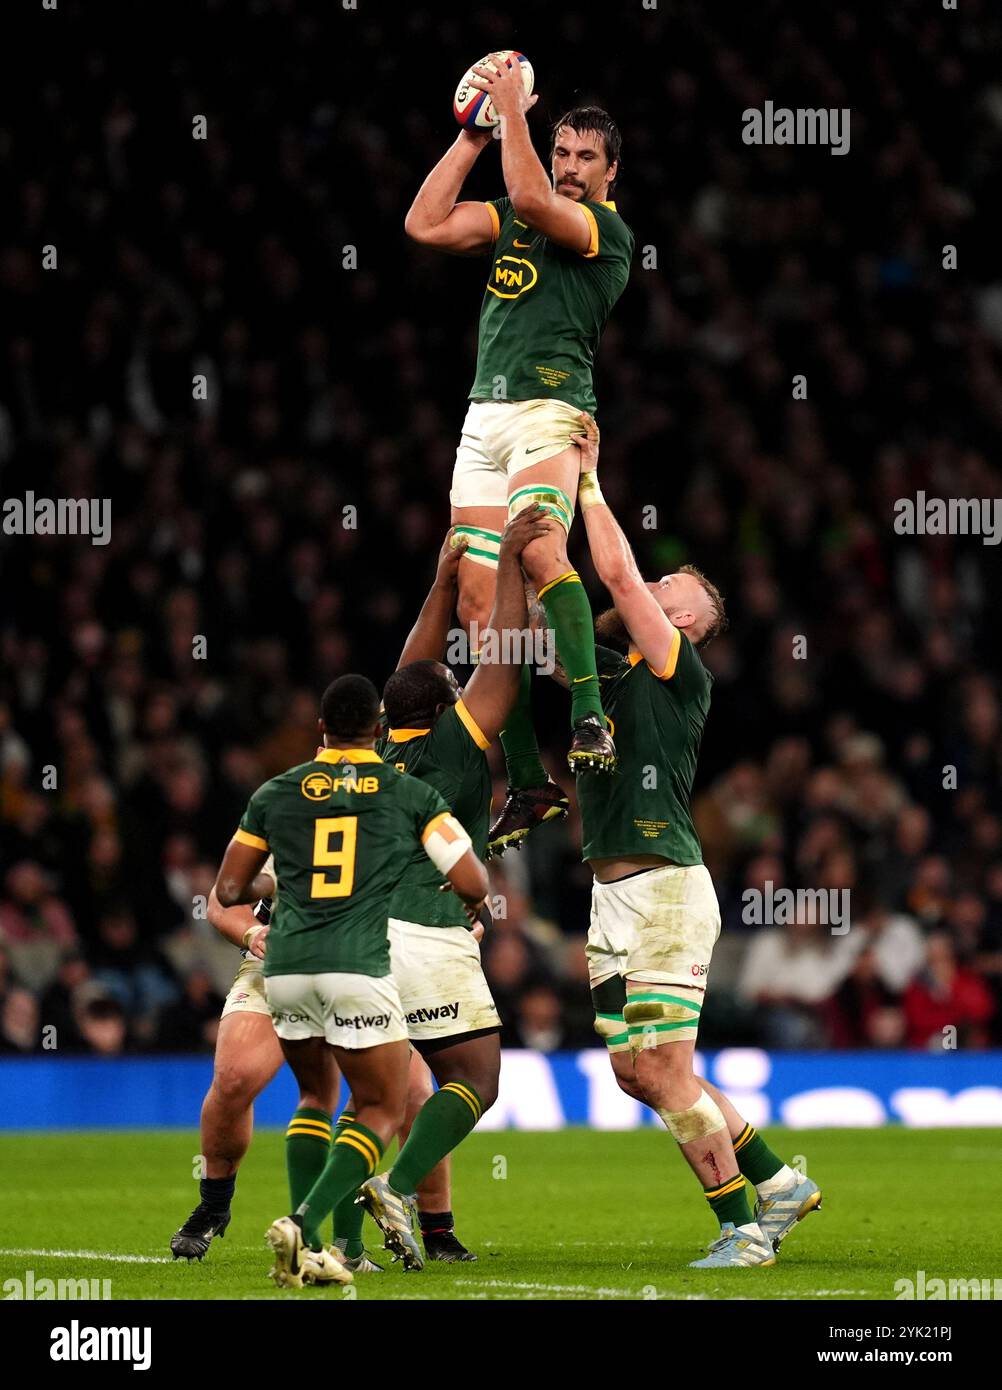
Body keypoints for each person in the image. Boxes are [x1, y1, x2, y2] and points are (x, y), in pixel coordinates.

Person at [563, 417, 821, 1267]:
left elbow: (610, 571)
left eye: (664, 581)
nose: (648, 581)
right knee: (636, 1074)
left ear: (680, 617)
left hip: (667, 886)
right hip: (611, 896)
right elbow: (560, 626)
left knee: (668, 1070)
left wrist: (586, 481)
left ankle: (743, 1230)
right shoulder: (613, 670)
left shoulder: (677, 665)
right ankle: (780, 1185)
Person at [405, 56, 634, 843]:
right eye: (561, 152)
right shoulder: (510, 215)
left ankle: (590, 720)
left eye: (584, 159)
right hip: (482, 423)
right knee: (477, 607)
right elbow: (425, 223)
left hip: (551, 410)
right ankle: (529, 785)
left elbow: (535, 197)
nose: (568, 169)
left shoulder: (604, 233)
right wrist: (474, 134)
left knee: (537, 549)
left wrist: (515, 116)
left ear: (609, 174)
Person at [213, 674, 488, 1289]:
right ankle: (305, 1223)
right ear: (379, 729)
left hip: (284, 968)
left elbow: (229, 890)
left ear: (321, 728)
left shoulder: (275, 792)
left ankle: (317, 1254)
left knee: (315, 1097)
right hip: (358, 964)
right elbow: (472, 879)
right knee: (383, 1106)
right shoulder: (408, 792)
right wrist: (472, 899)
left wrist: (284, 884)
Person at [355, 505, 549, 1267]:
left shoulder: (374, 751)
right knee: (473, 1076)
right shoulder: (455, 743)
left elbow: (412, 667)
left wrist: (441, 586)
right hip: (428, 932)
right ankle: (399, 1186)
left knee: (375, 1096)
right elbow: (501, 650)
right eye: (455, 688)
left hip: (360, 938)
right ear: (446, 708)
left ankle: (335, 1232)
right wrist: (504, 563)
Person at [167, 871, 462, 1270]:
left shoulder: (397, 817)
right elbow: (223, 899)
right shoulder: (289, 814)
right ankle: (216, 1205)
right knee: (238, 1077)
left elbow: (448, 890)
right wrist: (253, 932)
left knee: (411, 1096)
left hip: (378, 966)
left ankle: (433, 1231)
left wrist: (456, 926)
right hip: (284, 963)